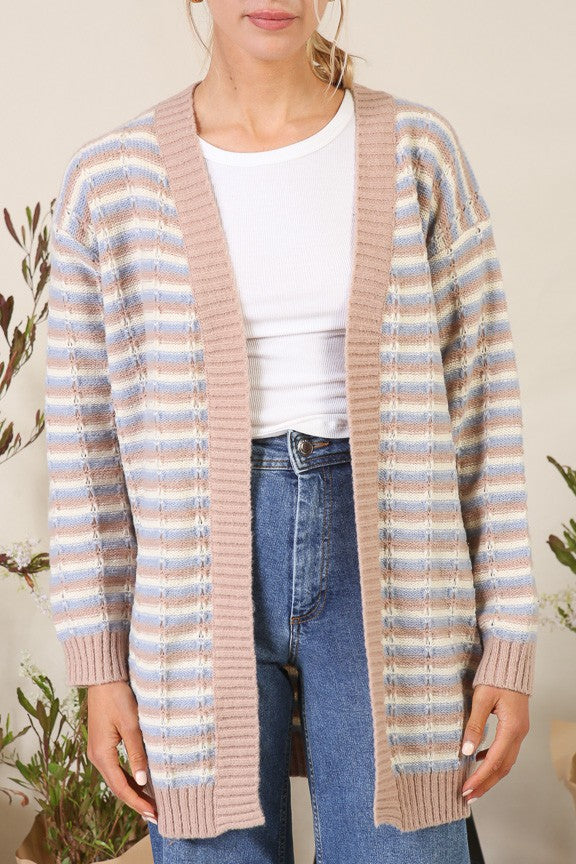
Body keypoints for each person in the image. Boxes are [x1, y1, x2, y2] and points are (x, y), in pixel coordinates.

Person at [44, 1, 539, 863]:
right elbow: (86, 444)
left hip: (395, 571)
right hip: (188, 592)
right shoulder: (110, 181)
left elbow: (483, 401)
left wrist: (509, 641)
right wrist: (100, 665)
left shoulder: (418, 152)